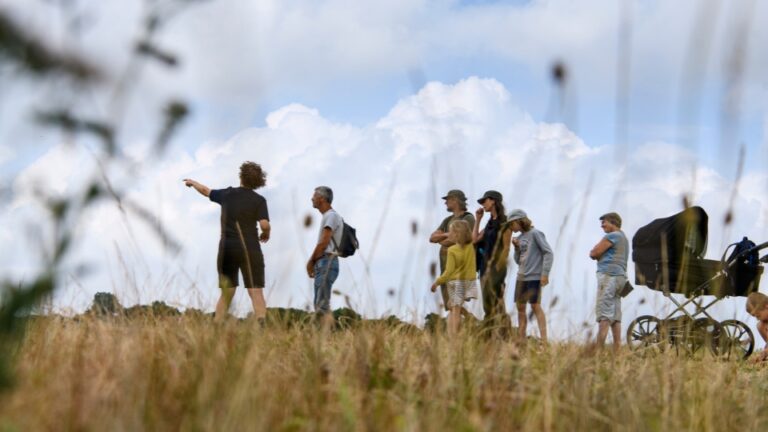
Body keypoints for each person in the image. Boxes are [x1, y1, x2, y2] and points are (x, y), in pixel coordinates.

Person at [183, 162, 271, 323]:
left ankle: (217, 327)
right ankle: (261, 325)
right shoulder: (259, 200)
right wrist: (266, 233)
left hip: (228, 248)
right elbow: (264, 224)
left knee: (227, 293)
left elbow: (206, 191)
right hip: (250, 248)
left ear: (241, 176)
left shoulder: (227, 194)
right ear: (258, 181)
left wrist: (193, 182)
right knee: (255, 291)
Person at [504, 210, 554, 343]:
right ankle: (521, 339)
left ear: (518, 221)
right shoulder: (519, 238)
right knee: (520, 308)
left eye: (511, 224)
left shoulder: (536, 234)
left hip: (534, 277)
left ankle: (544, 340)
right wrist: (516, 248)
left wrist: (545, 274)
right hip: (521, 277)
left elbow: (548, 253)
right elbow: (518, 261)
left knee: (535, 306)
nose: (511, 228)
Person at [429, 189, 475, 315]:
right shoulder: (447, 220)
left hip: (459, 268)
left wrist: (443, 238)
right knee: (450, 305)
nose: (445, 203)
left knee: (454, 303)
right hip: (446, 267)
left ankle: (470, 325)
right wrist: (447, 235)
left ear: (455, 200)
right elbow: (432, 238)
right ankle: (473, 324)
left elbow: (455, 240)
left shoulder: (468, 218)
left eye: (447, 200)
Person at [589, 212, 629, 351]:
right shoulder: (623, 237)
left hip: (608, 277)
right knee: (616, 316)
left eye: (604, 222)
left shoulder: (612, 236)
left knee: (604, 313)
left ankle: (598, 350)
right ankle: (617, 350)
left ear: (613, 222)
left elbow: (594, 253)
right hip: (620, 278)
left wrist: (593, 251)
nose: (602, 226)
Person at [430, 220, 478, 335]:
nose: (448, 234)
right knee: (451, 306)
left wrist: (436, 282)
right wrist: (478, 219)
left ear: (457, 234)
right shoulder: (471, 246)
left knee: (455, 311)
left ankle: (453, 337)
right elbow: (474, 236)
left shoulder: (452, 250)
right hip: (469, 282)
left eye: (450, 232)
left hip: (456, 283)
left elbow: (448, 272)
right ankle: (462, 327)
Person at [472, 190, 509, 334]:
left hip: (496, 268)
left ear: (493, 201)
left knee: (497, 302)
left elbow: (506, 248)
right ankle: (490, 336)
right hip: (484, 267)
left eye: (484, 201)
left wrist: (498, 268)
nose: (482, 204)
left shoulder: (505, 221)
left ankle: (504, 335)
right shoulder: (488, 223)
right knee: (487, 304)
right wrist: (478, 219)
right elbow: (475, 239)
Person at [306, 186, 343, 324]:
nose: (312, 198)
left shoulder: (331, 216)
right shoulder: (329, 216)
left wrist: (310, 262)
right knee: (320, 304)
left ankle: (329, 336)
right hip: (324, 262)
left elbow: (324, 242)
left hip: (327, 261)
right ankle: (327, 337)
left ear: (322, 198)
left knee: (322, 305)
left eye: (314, 196)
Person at [746, 292, 768, 362]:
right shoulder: (761, 326)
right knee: (760, 325)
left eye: (758, 315)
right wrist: (764, 352)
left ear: (766, 306)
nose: (757, 319)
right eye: (755, 316)